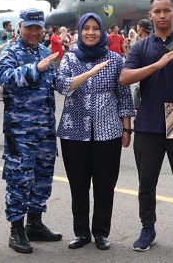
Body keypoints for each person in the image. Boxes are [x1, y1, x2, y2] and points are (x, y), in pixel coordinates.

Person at [120, 0, 173, 254]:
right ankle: (148, 228)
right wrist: (156, 65)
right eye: (157, 11)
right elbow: (124, 78)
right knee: (146, 183)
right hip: (147, 122)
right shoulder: (140, 47)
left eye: (167, 10)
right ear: (151, 15)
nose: (163, 15)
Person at [54, 13, 134, 251]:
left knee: (105, 184)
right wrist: (88, 74)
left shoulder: (115, 59)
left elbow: (124, 96)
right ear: (79, 31)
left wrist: (127, 128)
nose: (91, 33)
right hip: (73, 132)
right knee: (78, 185)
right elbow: (61, 86)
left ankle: (101, 232)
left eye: (95, 28)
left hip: (108, 131)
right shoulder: (69, 59)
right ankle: (81, 232)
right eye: (86, 28)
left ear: (102, 32)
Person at [0, 8, 62, 255]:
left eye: (38, 28)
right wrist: (35, 68)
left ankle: (34, 222)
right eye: (29, 27)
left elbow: (56, 85)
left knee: (43, 177)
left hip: (45, 129)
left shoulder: (46, 52)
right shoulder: (10, 52)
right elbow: (3, 77)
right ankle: (16, 229)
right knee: (19, 179)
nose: (34, 32)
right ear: (19, 27)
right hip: (20, 131)